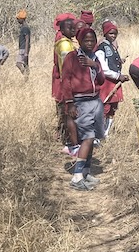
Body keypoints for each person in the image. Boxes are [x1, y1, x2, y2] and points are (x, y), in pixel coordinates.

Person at [60, 27, 104, 191]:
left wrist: (95, 65)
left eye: (92, 40)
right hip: (80, 101)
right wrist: (70, 103)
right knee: (88, 137)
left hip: (95, 101)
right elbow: (66, 81)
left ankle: (85, 172)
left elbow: (101, 80)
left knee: (93, 138)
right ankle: (77, 178)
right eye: (86, 40)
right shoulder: (72, 58)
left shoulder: (94, 58)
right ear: (79, 41)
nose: (90, 43)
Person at [95, 20, 128, 138]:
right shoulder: (101, 48)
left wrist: (119, 61)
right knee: (105, 108)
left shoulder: (113, 47)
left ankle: (106, 133)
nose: (113, 36)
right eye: (111, 33)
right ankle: (98, 134)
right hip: (107, 83)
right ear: (105, 33)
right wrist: (119, 76)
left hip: (116, 82)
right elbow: (104, 69)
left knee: (113, 109)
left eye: (115, 33)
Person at [52, 13, 80, 155]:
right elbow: (66, 67)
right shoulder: (64, 44)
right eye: (70, 27)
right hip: (66, 82)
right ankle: (70, 143)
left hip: (65, 81)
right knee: (68, 112)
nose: (73, 30)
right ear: (62, 29)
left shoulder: (67, 42)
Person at [15, 9, 30, 77]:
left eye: (18, 19)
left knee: (18, 63)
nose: (17, 20)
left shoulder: (25, 28)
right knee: (25, 64)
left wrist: (26, 53)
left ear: (22, 19)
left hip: (23, 49)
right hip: (24, 48)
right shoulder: (24, 27)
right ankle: (27, 79)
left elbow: (27, 40)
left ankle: (26, 76)